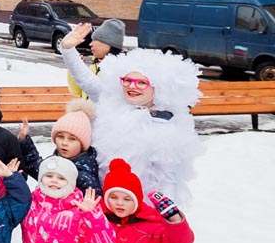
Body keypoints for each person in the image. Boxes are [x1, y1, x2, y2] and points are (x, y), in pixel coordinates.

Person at [62, 30, 202, 206]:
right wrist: (68, 50)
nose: (132, 87)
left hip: (140, 206)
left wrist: (166, 215)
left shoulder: (165, 125)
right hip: (103, 199)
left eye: (142, 83)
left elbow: (168, 179)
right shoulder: (114, 102)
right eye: (127, 80)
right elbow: (86, 80)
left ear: (158, 87)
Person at [18, 99, 103, 195]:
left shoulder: (84, 176)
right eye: (60, 137)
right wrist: (24, 139)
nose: (64, 143)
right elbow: (35, 166)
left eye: (72, 139)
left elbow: (94, 202)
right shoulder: (54, 161)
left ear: (83, 144)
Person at [63, 19, 125, 99]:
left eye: (95, 40)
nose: (90, 44)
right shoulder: (95, 64)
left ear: (108, 43)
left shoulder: (119, 71)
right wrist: (74, 67)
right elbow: (76, 92)